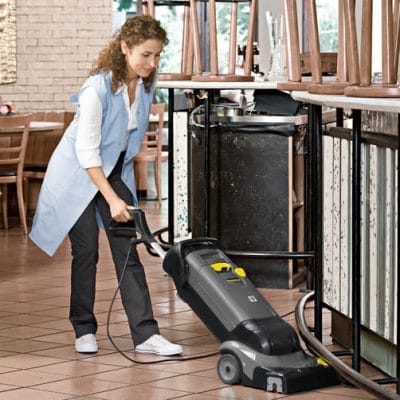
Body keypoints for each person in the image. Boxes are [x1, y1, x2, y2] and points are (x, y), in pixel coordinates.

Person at [29, 15, 183, 356]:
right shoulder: (97, 89)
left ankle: (145, 334)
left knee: (127, 249)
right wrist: (112, 199)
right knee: (86, 251)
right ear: (125, 48)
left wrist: (117, 193)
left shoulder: (145, 84)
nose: (152, 63)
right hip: (78, 175)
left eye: (157, 55)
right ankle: (83, 328)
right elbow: (87, 153)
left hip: (112, 171)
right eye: (145, 55)